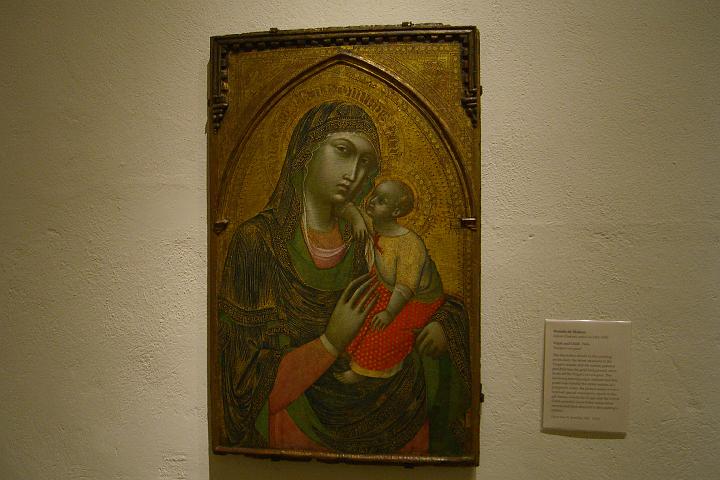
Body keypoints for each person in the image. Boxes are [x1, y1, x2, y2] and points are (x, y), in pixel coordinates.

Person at [218, 101, 470, 455]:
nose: (354, 171)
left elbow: (429, 296)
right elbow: (241, 382)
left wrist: (444, 326)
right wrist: (331, 342)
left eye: (365, 162)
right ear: (306, 152)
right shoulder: (259, 243)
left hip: (399, 408)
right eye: (342, 150)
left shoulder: (371, 240)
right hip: (299, 424)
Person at [336, 180, 445, 384]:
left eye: (381, 201)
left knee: (384, 330)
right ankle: (352, 354)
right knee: (361, 311)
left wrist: (389, 313)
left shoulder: (409, 245)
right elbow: (346, 207)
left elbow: (405, 287)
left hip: (417, 299)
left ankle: (364, 370)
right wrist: (357, 220)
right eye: (374, 195)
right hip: (386, 287)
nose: (372, 201)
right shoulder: (375, 223)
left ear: (395, 212)